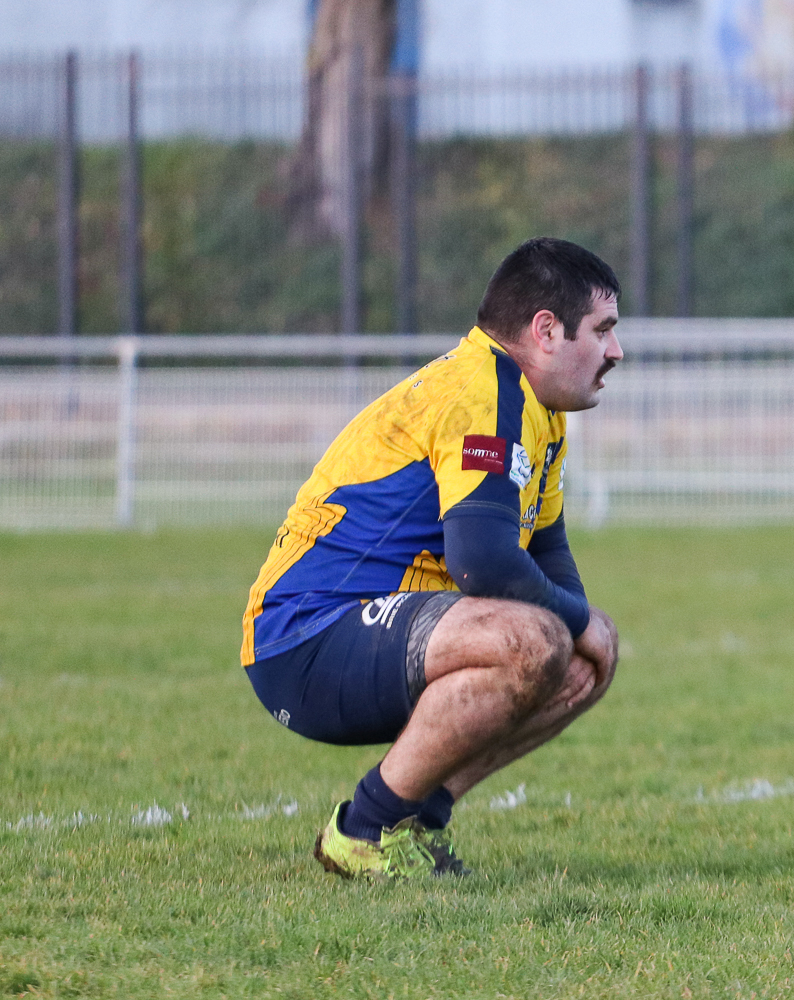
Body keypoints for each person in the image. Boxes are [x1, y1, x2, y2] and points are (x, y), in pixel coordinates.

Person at [239, 237, 623, 879]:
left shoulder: (539, 413)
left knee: (579, 658)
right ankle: (362, 829)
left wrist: (588, 632)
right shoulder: (482, 392)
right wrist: (580, 623)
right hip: (304, 637)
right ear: (547, 331)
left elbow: (547, 549)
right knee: (534, 637)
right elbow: (483, 564)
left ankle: (409, 823)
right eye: (603, 330)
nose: (616, 352)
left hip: (372, 632)